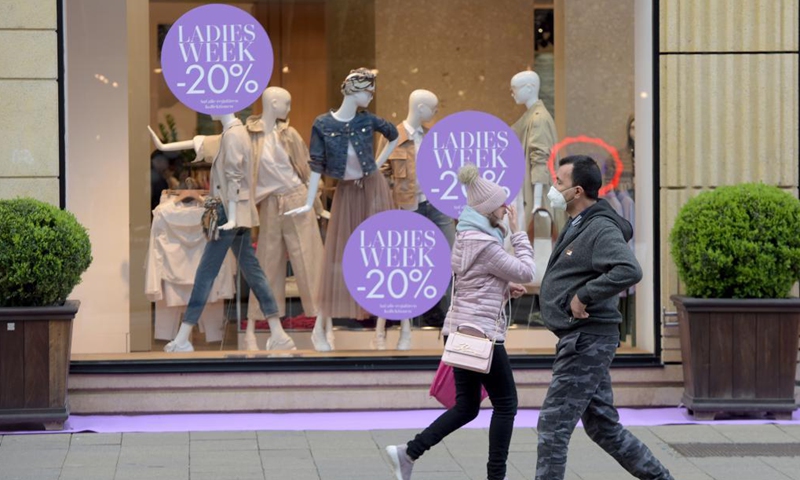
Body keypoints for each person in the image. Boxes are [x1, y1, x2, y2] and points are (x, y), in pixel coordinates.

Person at [385, 164, 534, 480]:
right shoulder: (487, 245)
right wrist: (518, 232)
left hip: (460, 329)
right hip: (480, 334)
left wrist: (503, 288)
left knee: (467, 407)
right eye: (501, 205)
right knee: (506, 404)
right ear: (488, 210)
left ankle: (408, 452)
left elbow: (474, 284)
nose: (506, 209)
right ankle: (496, 476)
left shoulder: (467, 237)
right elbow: (527, 271)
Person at [535, 155, 674, 480]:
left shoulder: (599, 227)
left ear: (577, 191)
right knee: (602, 426)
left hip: (586, 340)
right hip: (584, 338)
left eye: (559, 181)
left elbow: (629, 269)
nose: (554, 186)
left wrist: (584, 295)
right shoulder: (579, 222)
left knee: (553, 425)